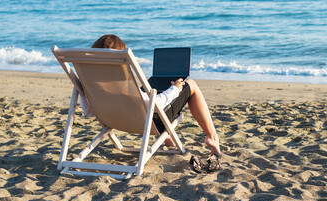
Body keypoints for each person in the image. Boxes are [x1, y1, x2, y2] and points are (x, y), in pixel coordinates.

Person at [80, 34, 221, 155]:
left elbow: (88, 112)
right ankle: (212, 137)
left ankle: (168, 140)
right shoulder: (121, 83)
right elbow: (155, 105)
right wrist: (175, 90)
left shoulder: (91, 83)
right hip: (148, 123)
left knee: (151, 90)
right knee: (191, 85)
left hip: (114, 120)